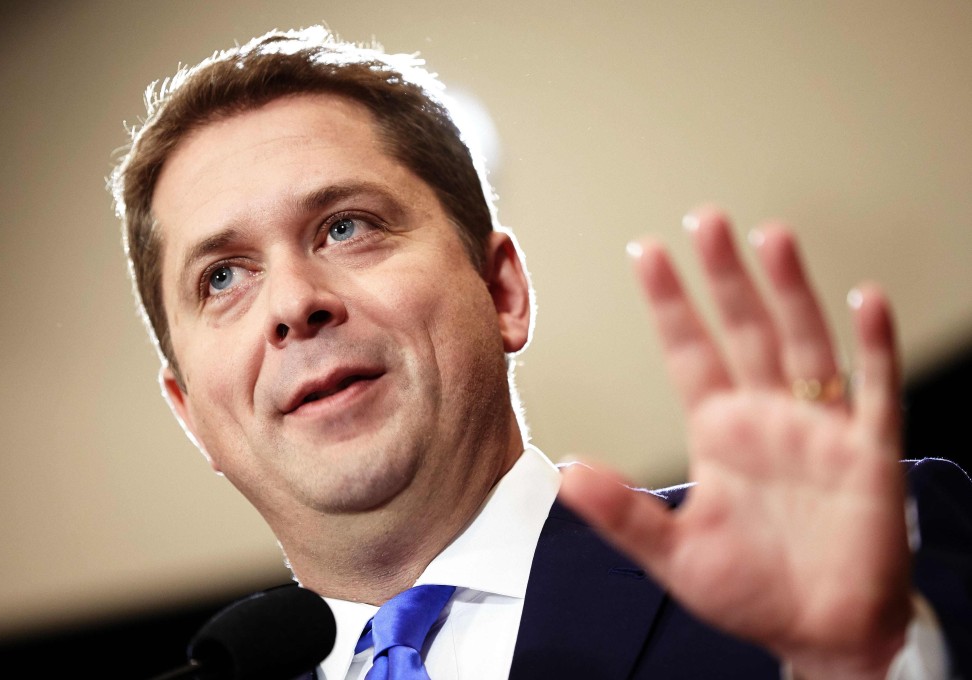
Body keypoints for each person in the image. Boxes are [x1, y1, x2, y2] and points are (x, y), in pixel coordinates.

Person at [110, 26, 972, 679]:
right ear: (192, 415)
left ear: (502, 293)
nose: (294, 303)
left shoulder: (828, 566)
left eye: (346, 227)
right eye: (223, 277)